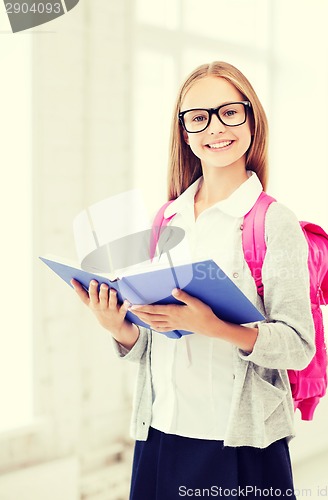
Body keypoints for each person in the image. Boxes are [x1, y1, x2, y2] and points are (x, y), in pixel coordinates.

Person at [72, 61, 315, 499]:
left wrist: (215, 327)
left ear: (251, 118)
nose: (215, 127)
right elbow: (157, 337)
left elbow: (298, 347)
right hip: (161, 434)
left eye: (229, 112)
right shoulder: (166, 218)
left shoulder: (273, 222)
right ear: (185, 132)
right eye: (199, 117)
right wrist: (120, 328)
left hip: (238, 444)